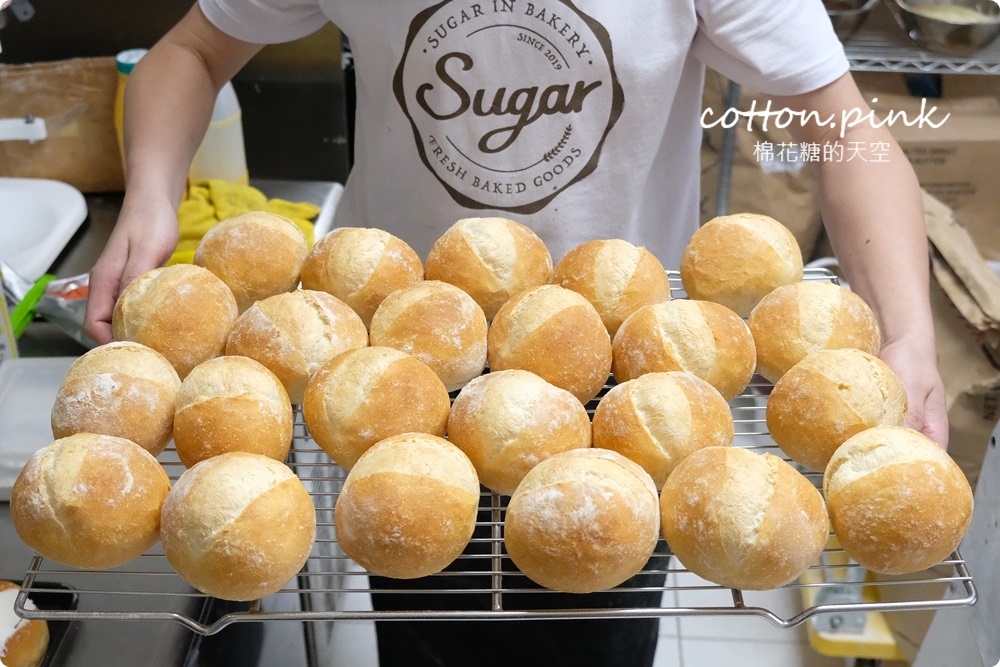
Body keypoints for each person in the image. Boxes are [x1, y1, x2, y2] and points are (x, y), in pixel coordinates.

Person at [82, 1, 948, 665]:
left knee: (593, 599)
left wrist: (909, 330)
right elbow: (191, 51)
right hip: (401, 358)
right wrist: (151, 198)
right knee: (420, 585)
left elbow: (844, 129)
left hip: (628, 360)